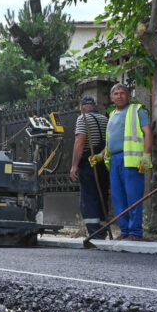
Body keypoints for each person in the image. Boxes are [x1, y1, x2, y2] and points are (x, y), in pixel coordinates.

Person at [101, 84, 153, 241]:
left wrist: (147, 155)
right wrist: (100, 154)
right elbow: (111, 140)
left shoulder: (137, 110)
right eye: (115, 93)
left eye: (122, 93)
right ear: (111, 98)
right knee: (118, 198)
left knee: (133, 197)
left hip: (131, 159)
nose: (119, 96)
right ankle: (124, 230)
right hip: (114, 161)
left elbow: (148, 132)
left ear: (129, 95)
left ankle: (135, 232)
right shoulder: (111, 115)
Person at [68, 95, 110, 239]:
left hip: (88, 162)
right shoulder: (105, 119)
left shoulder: (83, 119)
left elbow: (80, 142)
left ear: (83, 108)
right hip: (103, 161)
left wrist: (74, 166)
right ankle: (103, 229)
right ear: (95, 106)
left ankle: (94, 232)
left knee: (89, 197)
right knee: (102, 195)